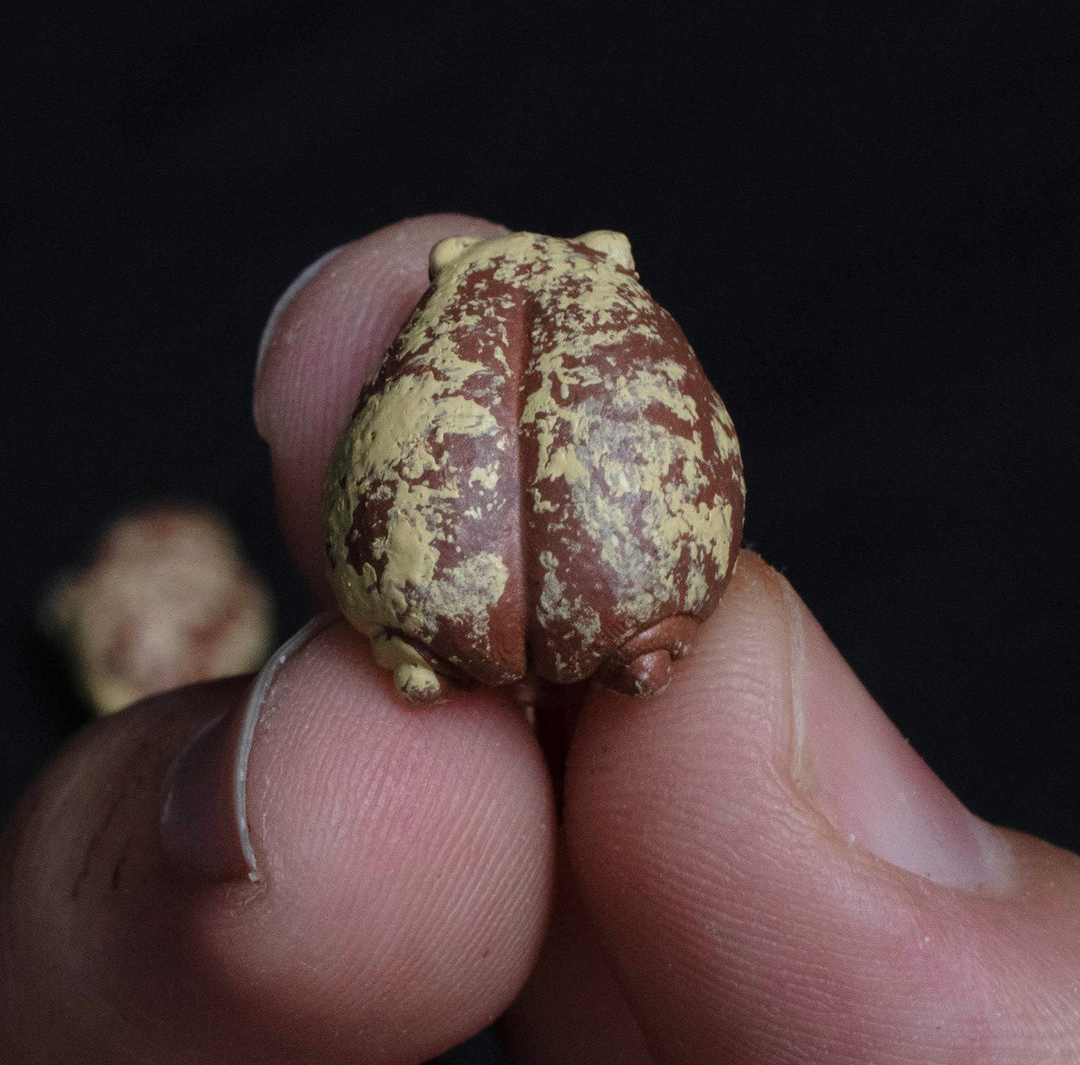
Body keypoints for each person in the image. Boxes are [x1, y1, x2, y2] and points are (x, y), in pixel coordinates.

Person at [3, 214, 1077, 1064]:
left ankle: (448, 652)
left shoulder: (463, 304)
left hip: (474, 625)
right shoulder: (601, 292)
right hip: (606, 618)